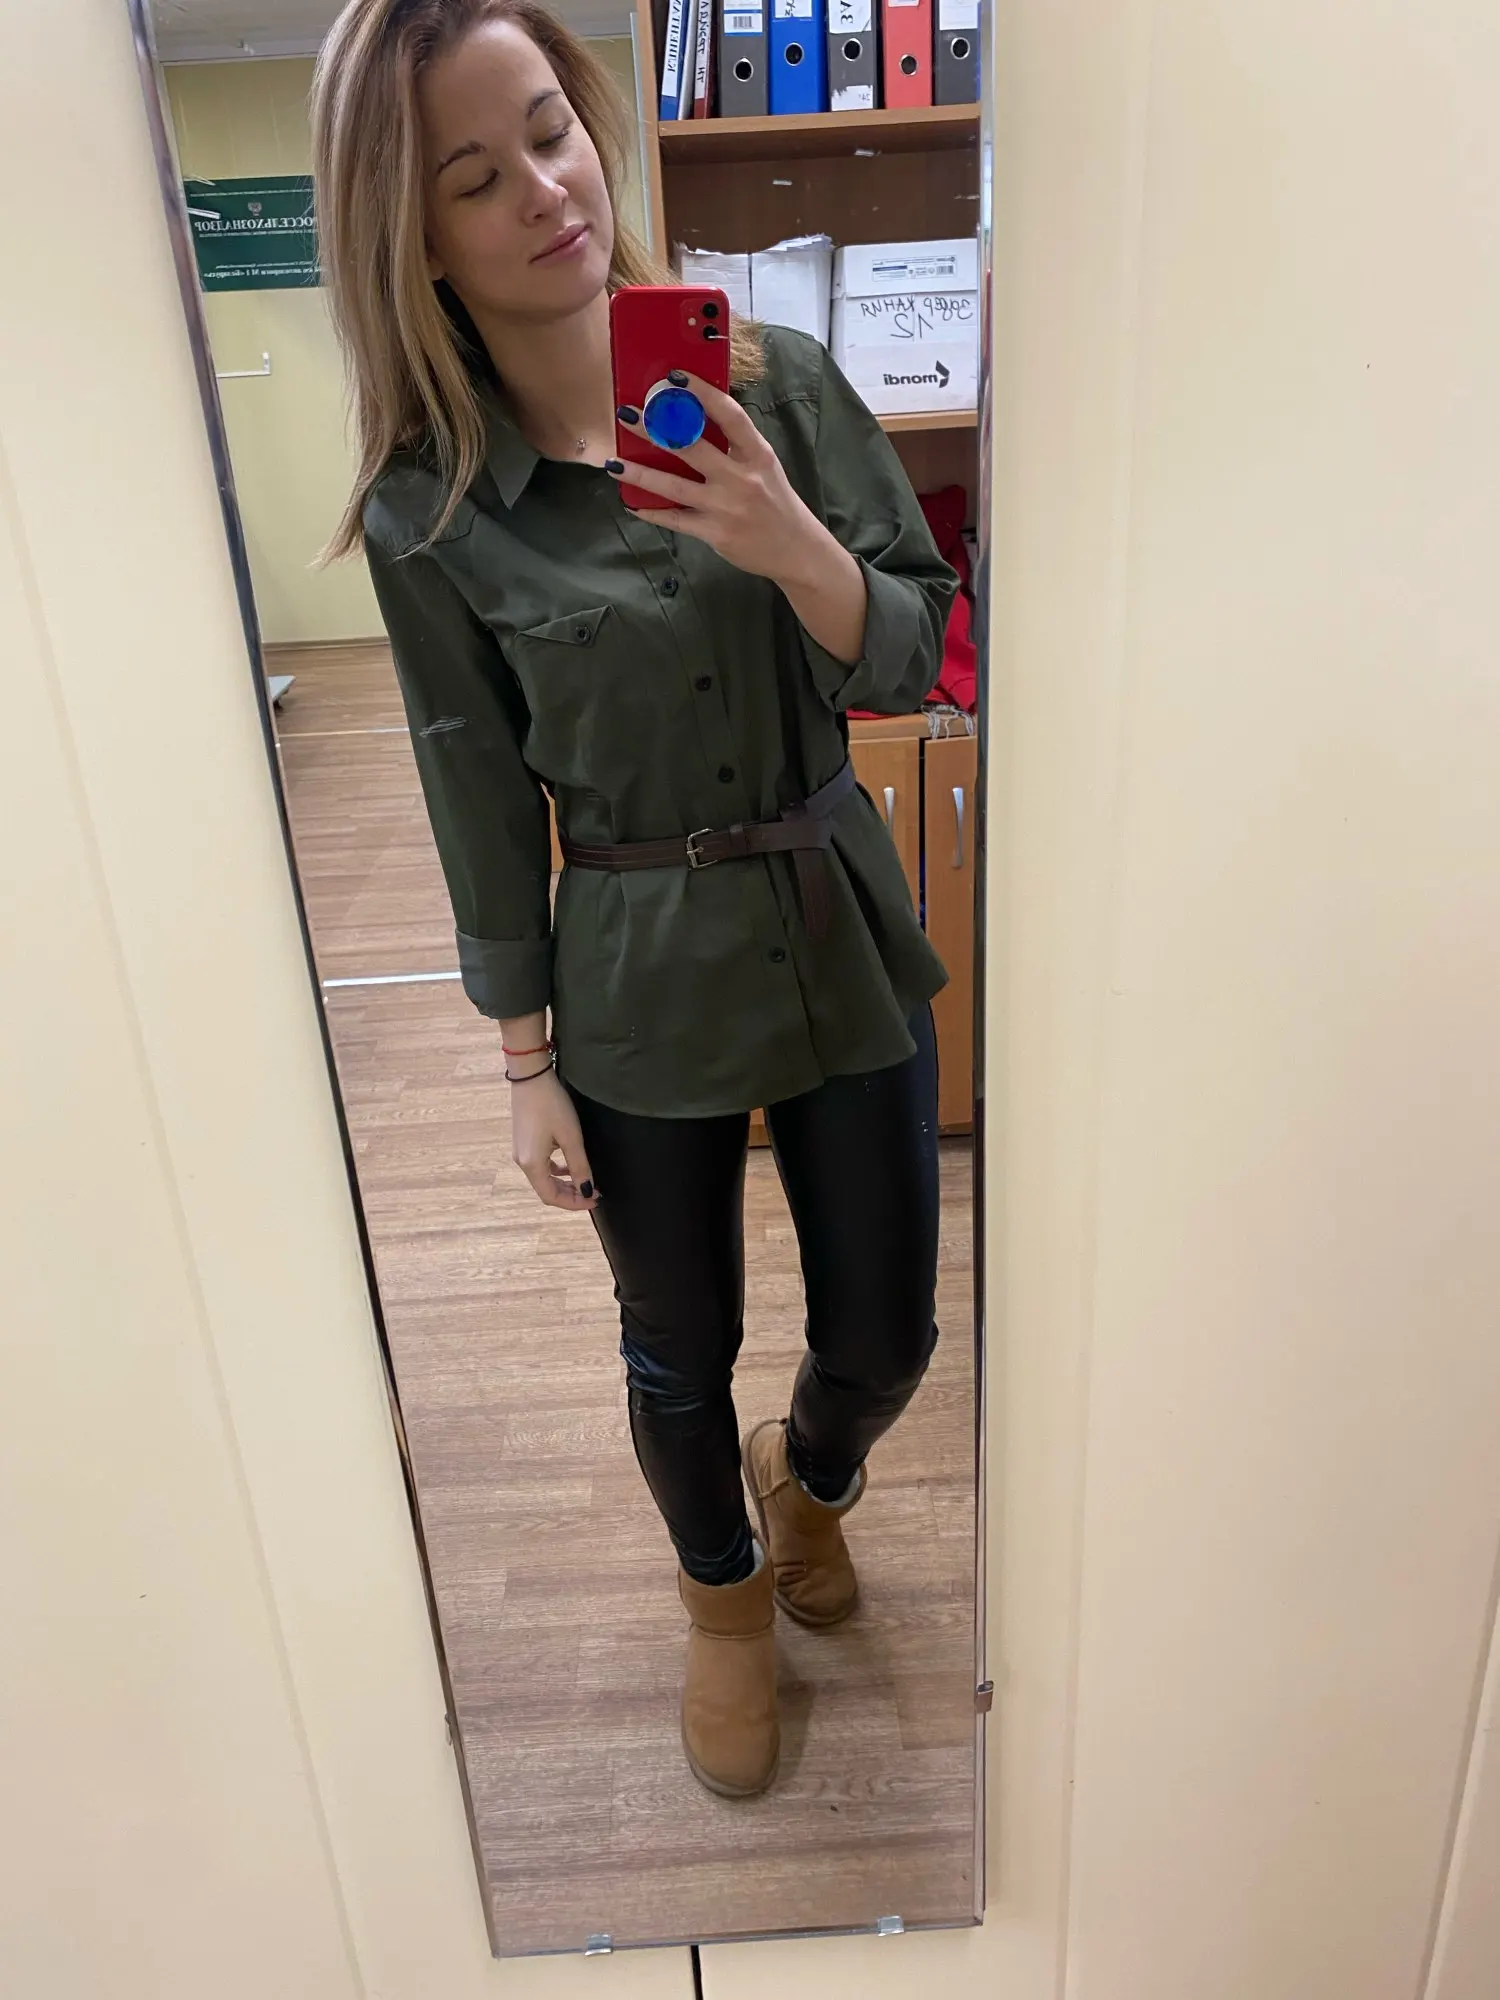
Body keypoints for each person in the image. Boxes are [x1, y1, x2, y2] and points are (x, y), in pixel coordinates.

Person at [311, 0, 957, 1800]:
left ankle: (809, 1481)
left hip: (830, 914)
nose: (546, 190)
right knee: (677, 1347)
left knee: (888, 1331)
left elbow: (915, 650)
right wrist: (522, 1062)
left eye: (549, 129)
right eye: (472, 177)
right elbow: (470, 784)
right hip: (625, 962)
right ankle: (725, 1605)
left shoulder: (779, 386)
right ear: (412, 241)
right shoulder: (434, 512)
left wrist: (791, 544)